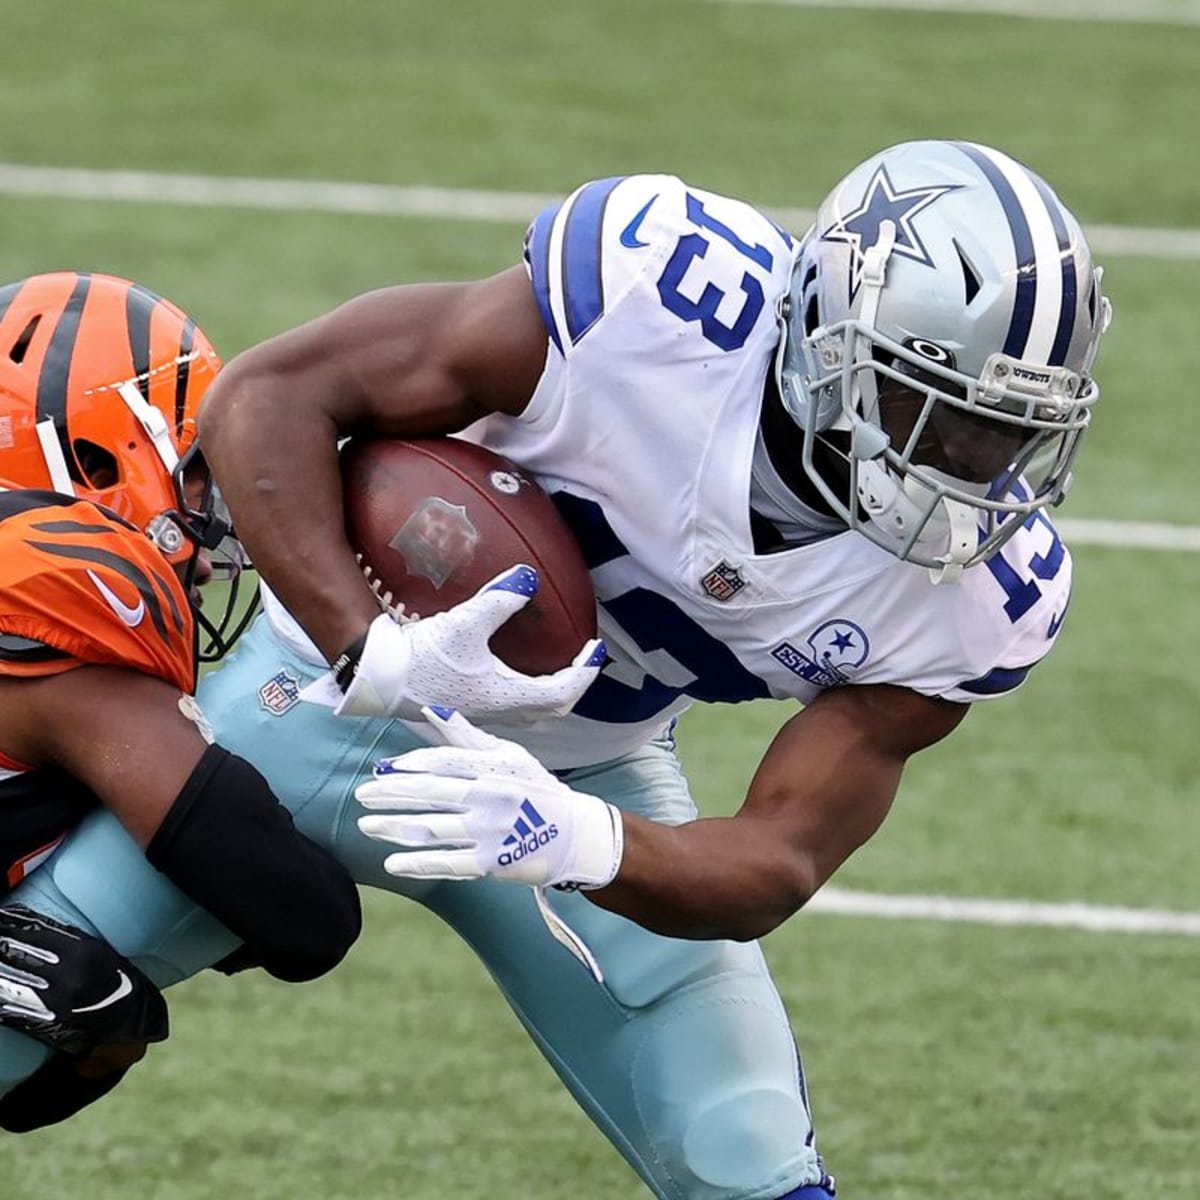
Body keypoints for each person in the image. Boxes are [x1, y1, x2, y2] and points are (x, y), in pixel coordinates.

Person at [0, 140, 1110, 1200]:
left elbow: (780, 855)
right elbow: (272, 395)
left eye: (1006, 436)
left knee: (745, 1145)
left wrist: (579, 838)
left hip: (582, 777)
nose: (973, 470)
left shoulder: (982, 595)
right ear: (826, 336)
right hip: (319, 700)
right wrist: (371, 644)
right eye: (941, 414)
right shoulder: (658, 301)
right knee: (26, 1013)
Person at [0, 273, 362, 1132]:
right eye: (196, 474)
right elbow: (304, 916)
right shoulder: (64, 600)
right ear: (94, 461)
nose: (210, 536)